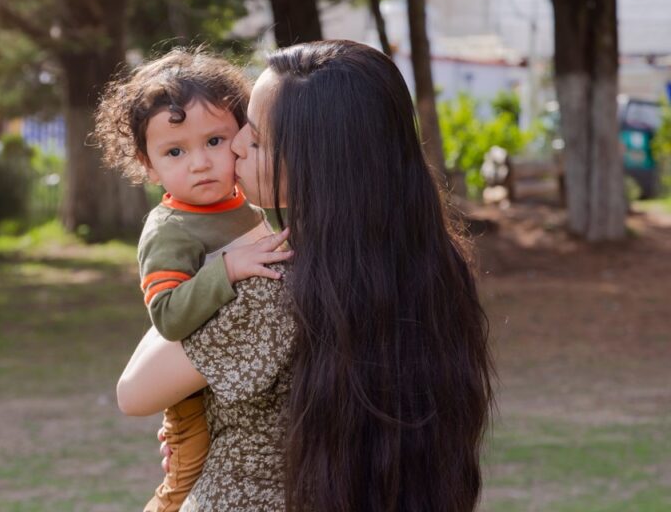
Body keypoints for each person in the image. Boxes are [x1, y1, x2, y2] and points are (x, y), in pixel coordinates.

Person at [117, 40, 494, 511]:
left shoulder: (271, 285)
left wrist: (225, 261)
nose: (231, 145)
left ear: (314, 165)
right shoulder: (433, 266)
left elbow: (134, 391)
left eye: (252, 139)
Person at [93, 48, 293, 511]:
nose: (200, 163)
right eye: (176, 152)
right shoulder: (170, 230)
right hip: (192, 402)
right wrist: (226, 269)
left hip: (233, 389)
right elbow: (166, 315)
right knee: (183, 481)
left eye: (215, 142)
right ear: (148, 165)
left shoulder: (247, 202)